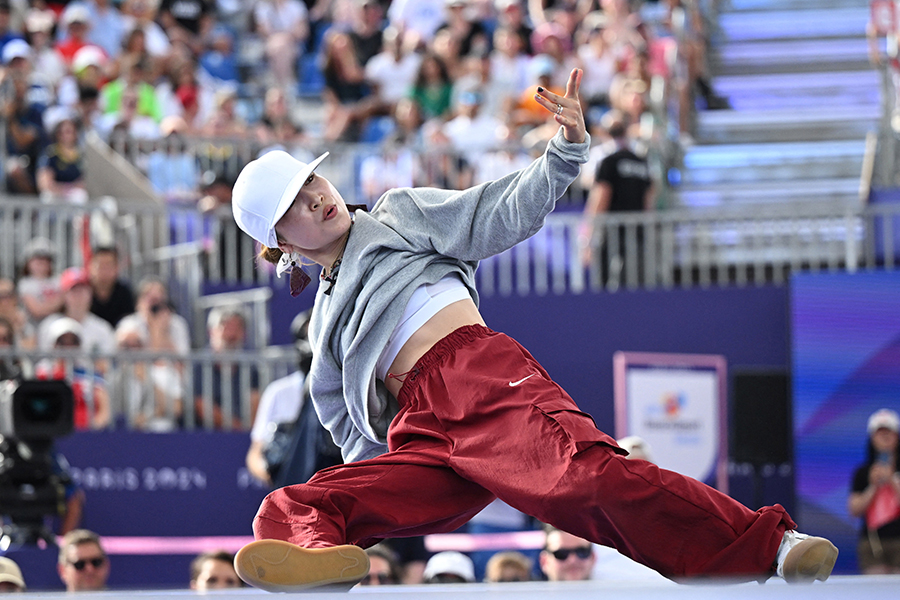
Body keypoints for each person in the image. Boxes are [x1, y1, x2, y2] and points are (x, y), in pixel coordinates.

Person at [229, 68, 837, 592]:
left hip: (473, 375)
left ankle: (773, 546)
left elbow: (494, 212)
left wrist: (565, 151)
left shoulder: (395, 215)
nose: (315, 197)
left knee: (591, 479)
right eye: (294, 205)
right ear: (280, 243)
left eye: (312, 181)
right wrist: (379, 492)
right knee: (296, 502)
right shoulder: (325, 324)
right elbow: (349, 428)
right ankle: (316, 557)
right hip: (416, 429)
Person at [246, 309, 341, 487]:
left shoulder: (347, 388)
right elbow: (255, 452)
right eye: (308, 335)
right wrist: (278, 476)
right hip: (292, 493)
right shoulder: (277, 391)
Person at [579, 109, 655, 289]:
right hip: (636, 231)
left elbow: (600, 199)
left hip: (612, 232)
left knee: (605, 285)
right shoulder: (641, 162)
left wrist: (588, 237)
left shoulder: (609, 162)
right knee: (635, 284)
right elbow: (648, 201)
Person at [848, 408, 900, 574]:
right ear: (872, 438)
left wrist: (892, 479)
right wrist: (873, 487)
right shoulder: (863, 472)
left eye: (889, 432)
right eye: (880, 433)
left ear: (897, 437)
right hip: (873, 542)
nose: (884, 437)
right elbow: (854, 510)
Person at [88, 246, 136, 328]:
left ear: (117, 268)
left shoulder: (125, 293)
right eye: (101, 265)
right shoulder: (82, 291)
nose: (105, 270)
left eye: (108, 265)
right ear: (91, 267)